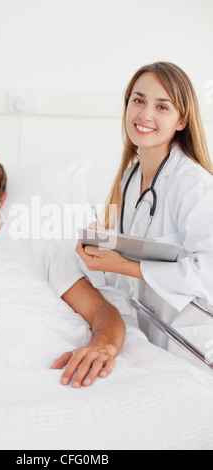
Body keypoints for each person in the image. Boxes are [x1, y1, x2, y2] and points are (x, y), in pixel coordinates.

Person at [0, 145, 125, 388]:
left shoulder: (37, 247)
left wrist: (101, 347)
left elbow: (101, 310)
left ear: (2, 197)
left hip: (52, 362)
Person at [76, 62, 213, 365]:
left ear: (181, 120)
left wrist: (126, 266)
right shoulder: (130, 177)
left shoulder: (194, 185)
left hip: (198, 340)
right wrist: (101, 252)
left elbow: (209, 272)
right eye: (138, 100)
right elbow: (135, 259)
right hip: (154, 335)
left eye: (162, 106)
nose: (145, 114)